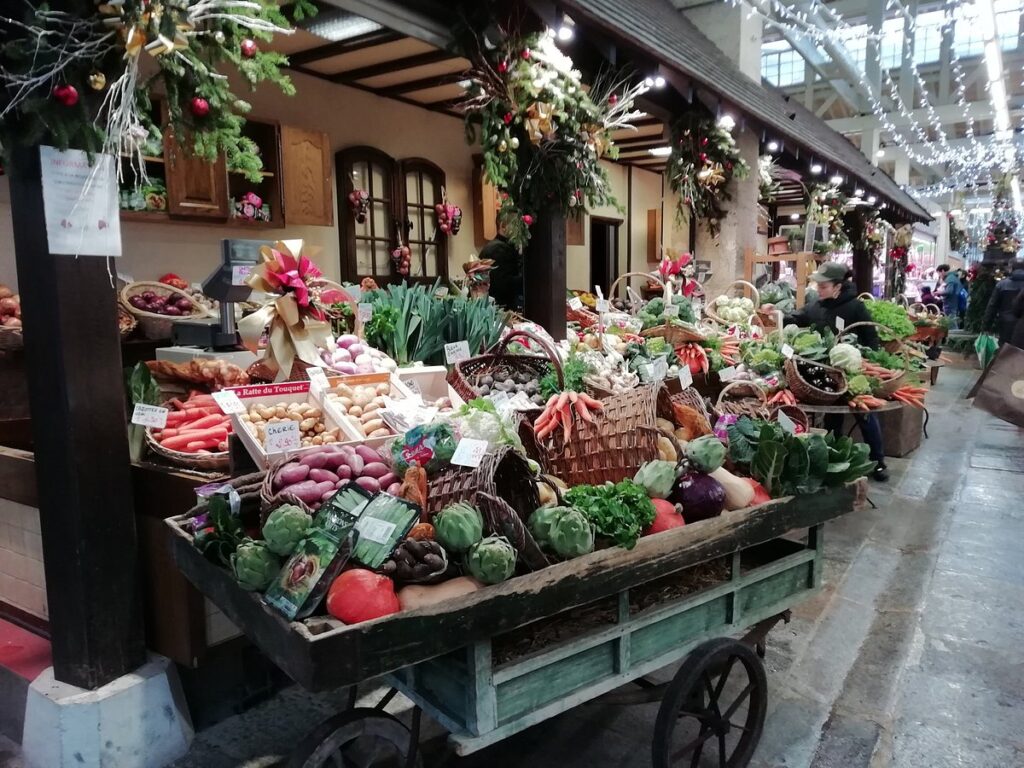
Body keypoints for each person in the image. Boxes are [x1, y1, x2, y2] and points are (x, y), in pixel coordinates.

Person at [765, 262, 889, 481]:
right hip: (823, 373)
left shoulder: (856, 307)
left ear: (838, 286)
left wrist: (866, 360)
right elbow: (798, 317)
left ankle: (878, 462)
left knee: (864, 413)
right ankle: (834, 457)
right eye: (818, 286)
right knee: (832, 419)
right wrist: (777, 313)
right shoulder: (817, 305)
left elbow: (871, 337)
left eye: (823, 286)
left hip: (850, 372)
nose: (819, 290)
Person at [479, 225, 523, 312]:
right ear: (503, 226)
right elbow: (506, 284)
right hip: (500, 310)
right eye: (515, 224)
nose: (519, 229)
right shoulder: (500, 249)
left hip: (490, 307)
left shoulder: (492, 246)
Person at [984, 259, 1024, 345]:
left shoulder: (1002, 285)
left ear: (1011, 268)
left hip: (1006, 325)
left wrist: (986, 326)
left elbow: (992, 307)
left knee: (1006, 353)